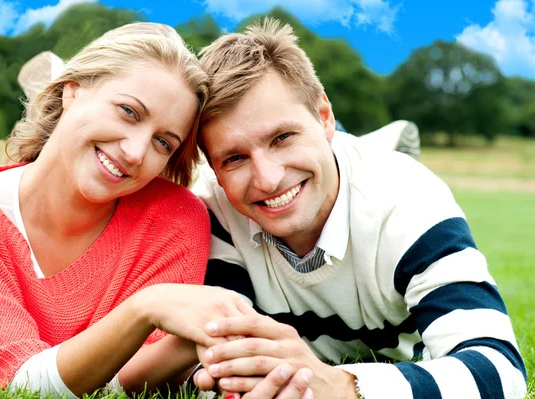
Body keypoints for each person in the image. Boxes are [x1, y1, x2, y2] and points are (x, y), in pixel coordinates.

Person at [190, 19, 527, 399]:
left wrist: (343, 385)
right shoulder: (212, 205)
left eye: (282, 137)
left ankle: (371, 146)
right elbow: (218, 363)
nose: (267, 179)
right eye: (234, 158)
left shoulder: (410, 198)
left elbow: (501, 373)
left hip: (377, 199)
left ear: (324, 116)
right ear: (214, 168)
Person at [0, 22, 260, 398]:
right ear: (72, 90)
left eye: (162, 142)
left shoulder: (173, 219)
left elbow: (135, 379)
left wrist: (202, 339)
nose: (136, 152)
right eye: (128, 111)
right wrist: (145, 309)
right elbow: (8, 386)